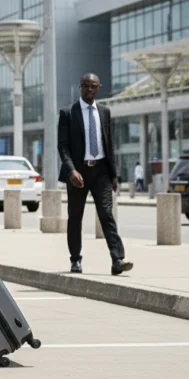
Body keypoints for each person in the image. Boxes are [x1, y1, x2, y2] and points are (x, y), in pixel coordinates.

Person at [58, 73, 133, 276]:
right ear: (80, 87)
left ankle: (117, 259)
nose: (89, 89)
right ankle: (75, 260)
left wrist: (114, 174)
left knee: (107, 215)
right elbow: (63, 147)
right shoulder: (68, 113)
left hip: (101, 171)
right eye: (86, 86)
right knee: (75, 217)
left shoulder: (105, 112)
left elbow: (109, 144)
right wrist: (71, 170)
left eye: (93, 86)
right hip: (78, 172)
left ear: (99, 87)